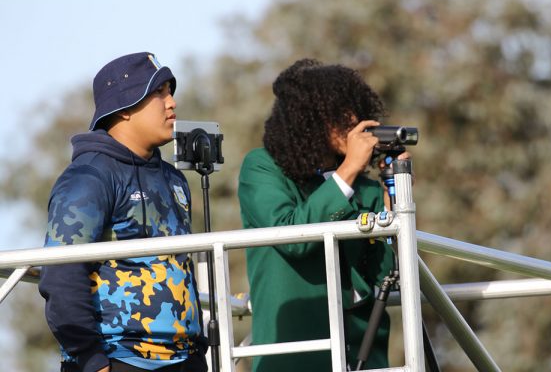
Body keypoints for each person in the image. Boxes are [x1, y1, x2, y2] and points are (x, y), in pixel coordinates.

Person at [39, 52, 208, 372]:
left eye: (170, 92)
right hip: (118, 361)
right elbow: (61, 277)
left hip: (185, 360)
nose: (171, 103)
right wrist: (92, 361)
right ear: (124, 106)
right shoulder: (88, 177)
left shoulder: (174, 179)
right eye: (159, 93)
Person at [238, 58, 411, 371]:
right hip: (297, 356)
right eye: (338, 113)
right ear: (307, 119)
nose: (352, 120)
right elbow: (294, 238)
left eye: (354, 110)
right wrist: (347, 171)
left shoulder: (365, 189)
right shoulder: (262, 168)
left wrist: (391, 194)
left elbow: (387, 274)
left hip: (364, 352)